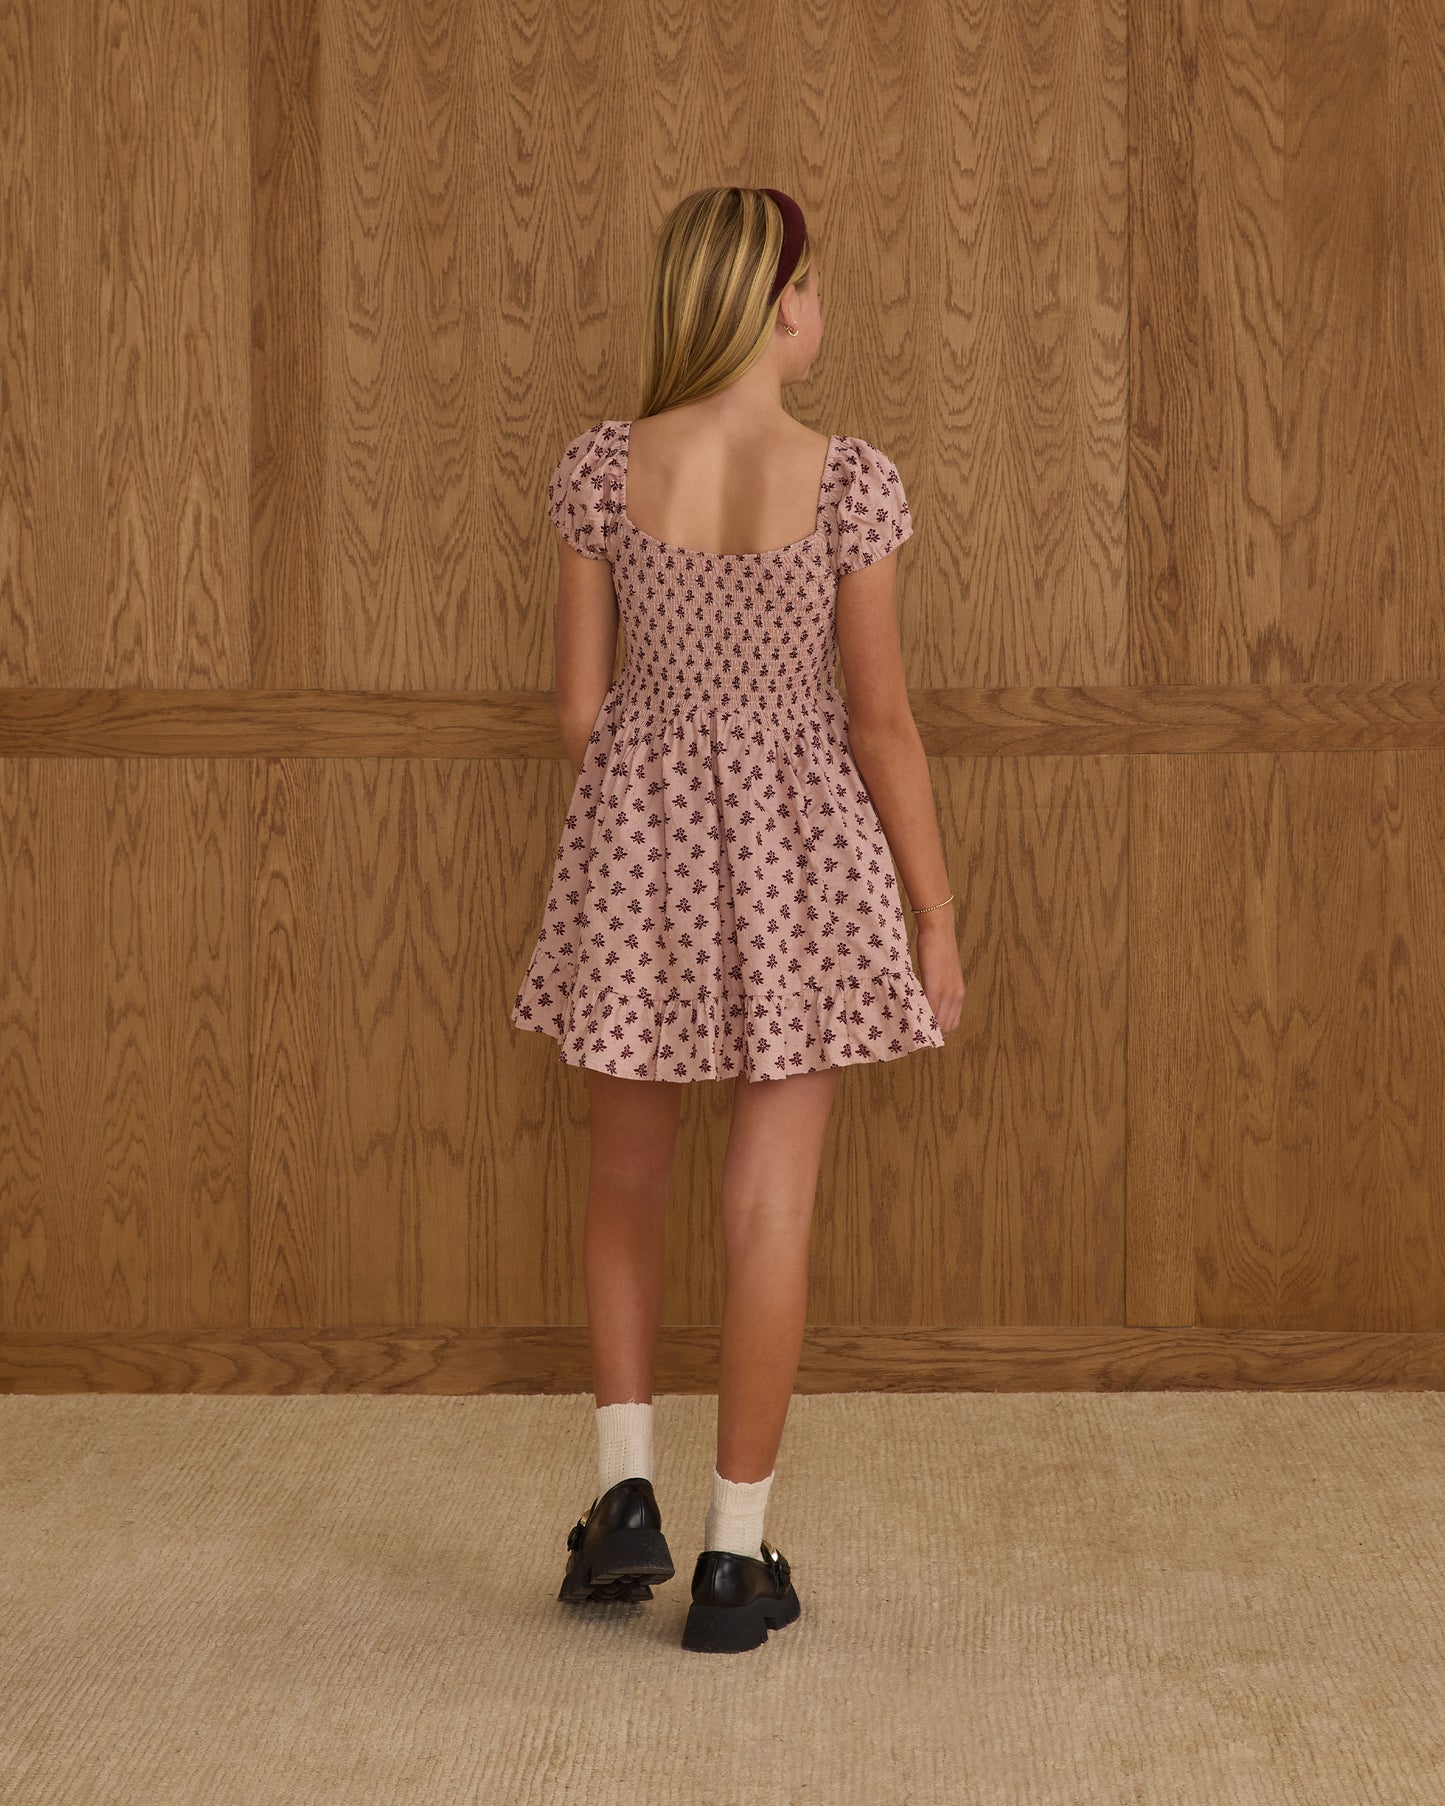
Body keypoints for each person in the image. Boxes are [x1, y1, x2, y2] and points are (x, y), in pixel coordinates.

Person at [511, 186, 966, 1653]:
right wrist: (932, 915)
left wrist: (651, 823)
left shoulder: (602, 469)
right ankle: (729, 1558)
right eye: (812, 288)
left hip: (633, 847)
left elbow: (578, 713)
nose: (820, 309)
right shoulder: (848, 485)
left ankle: (621, 1498)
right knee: (768, 1206)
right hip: (805, 863)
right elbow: (881, 722)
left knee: (623, 1181)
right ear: (778, 308)